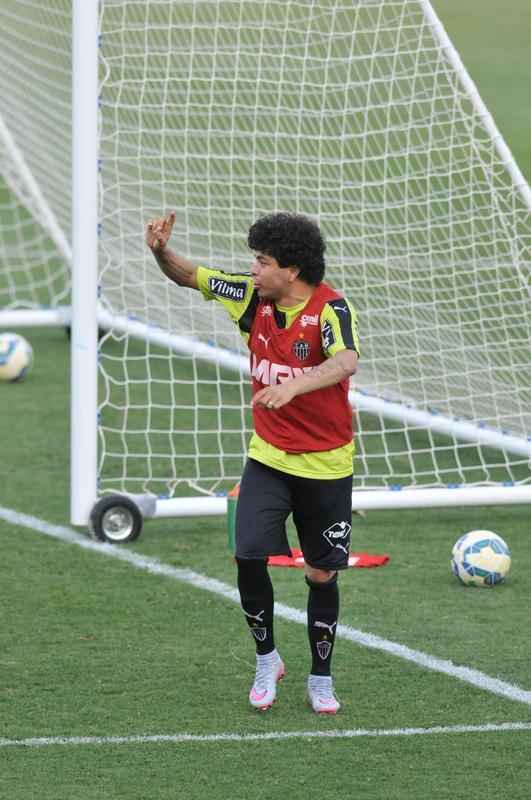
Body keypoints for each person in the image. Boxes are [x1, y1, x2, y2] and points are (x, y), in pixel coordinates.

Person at [146, 211, 360, 714]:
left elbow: (345, 360)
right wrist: (160, 251)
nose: (253, 269)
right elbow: (189, 275)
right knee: (247, 554)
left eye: (262, 262)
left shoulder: (330, 309)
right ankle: (267, 660)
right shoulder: (249, 298)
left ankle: (321, 677)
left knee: (322, 574)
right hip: (268, 458)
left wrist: (294, 385)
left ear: (292, 270)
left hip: (326, 465)